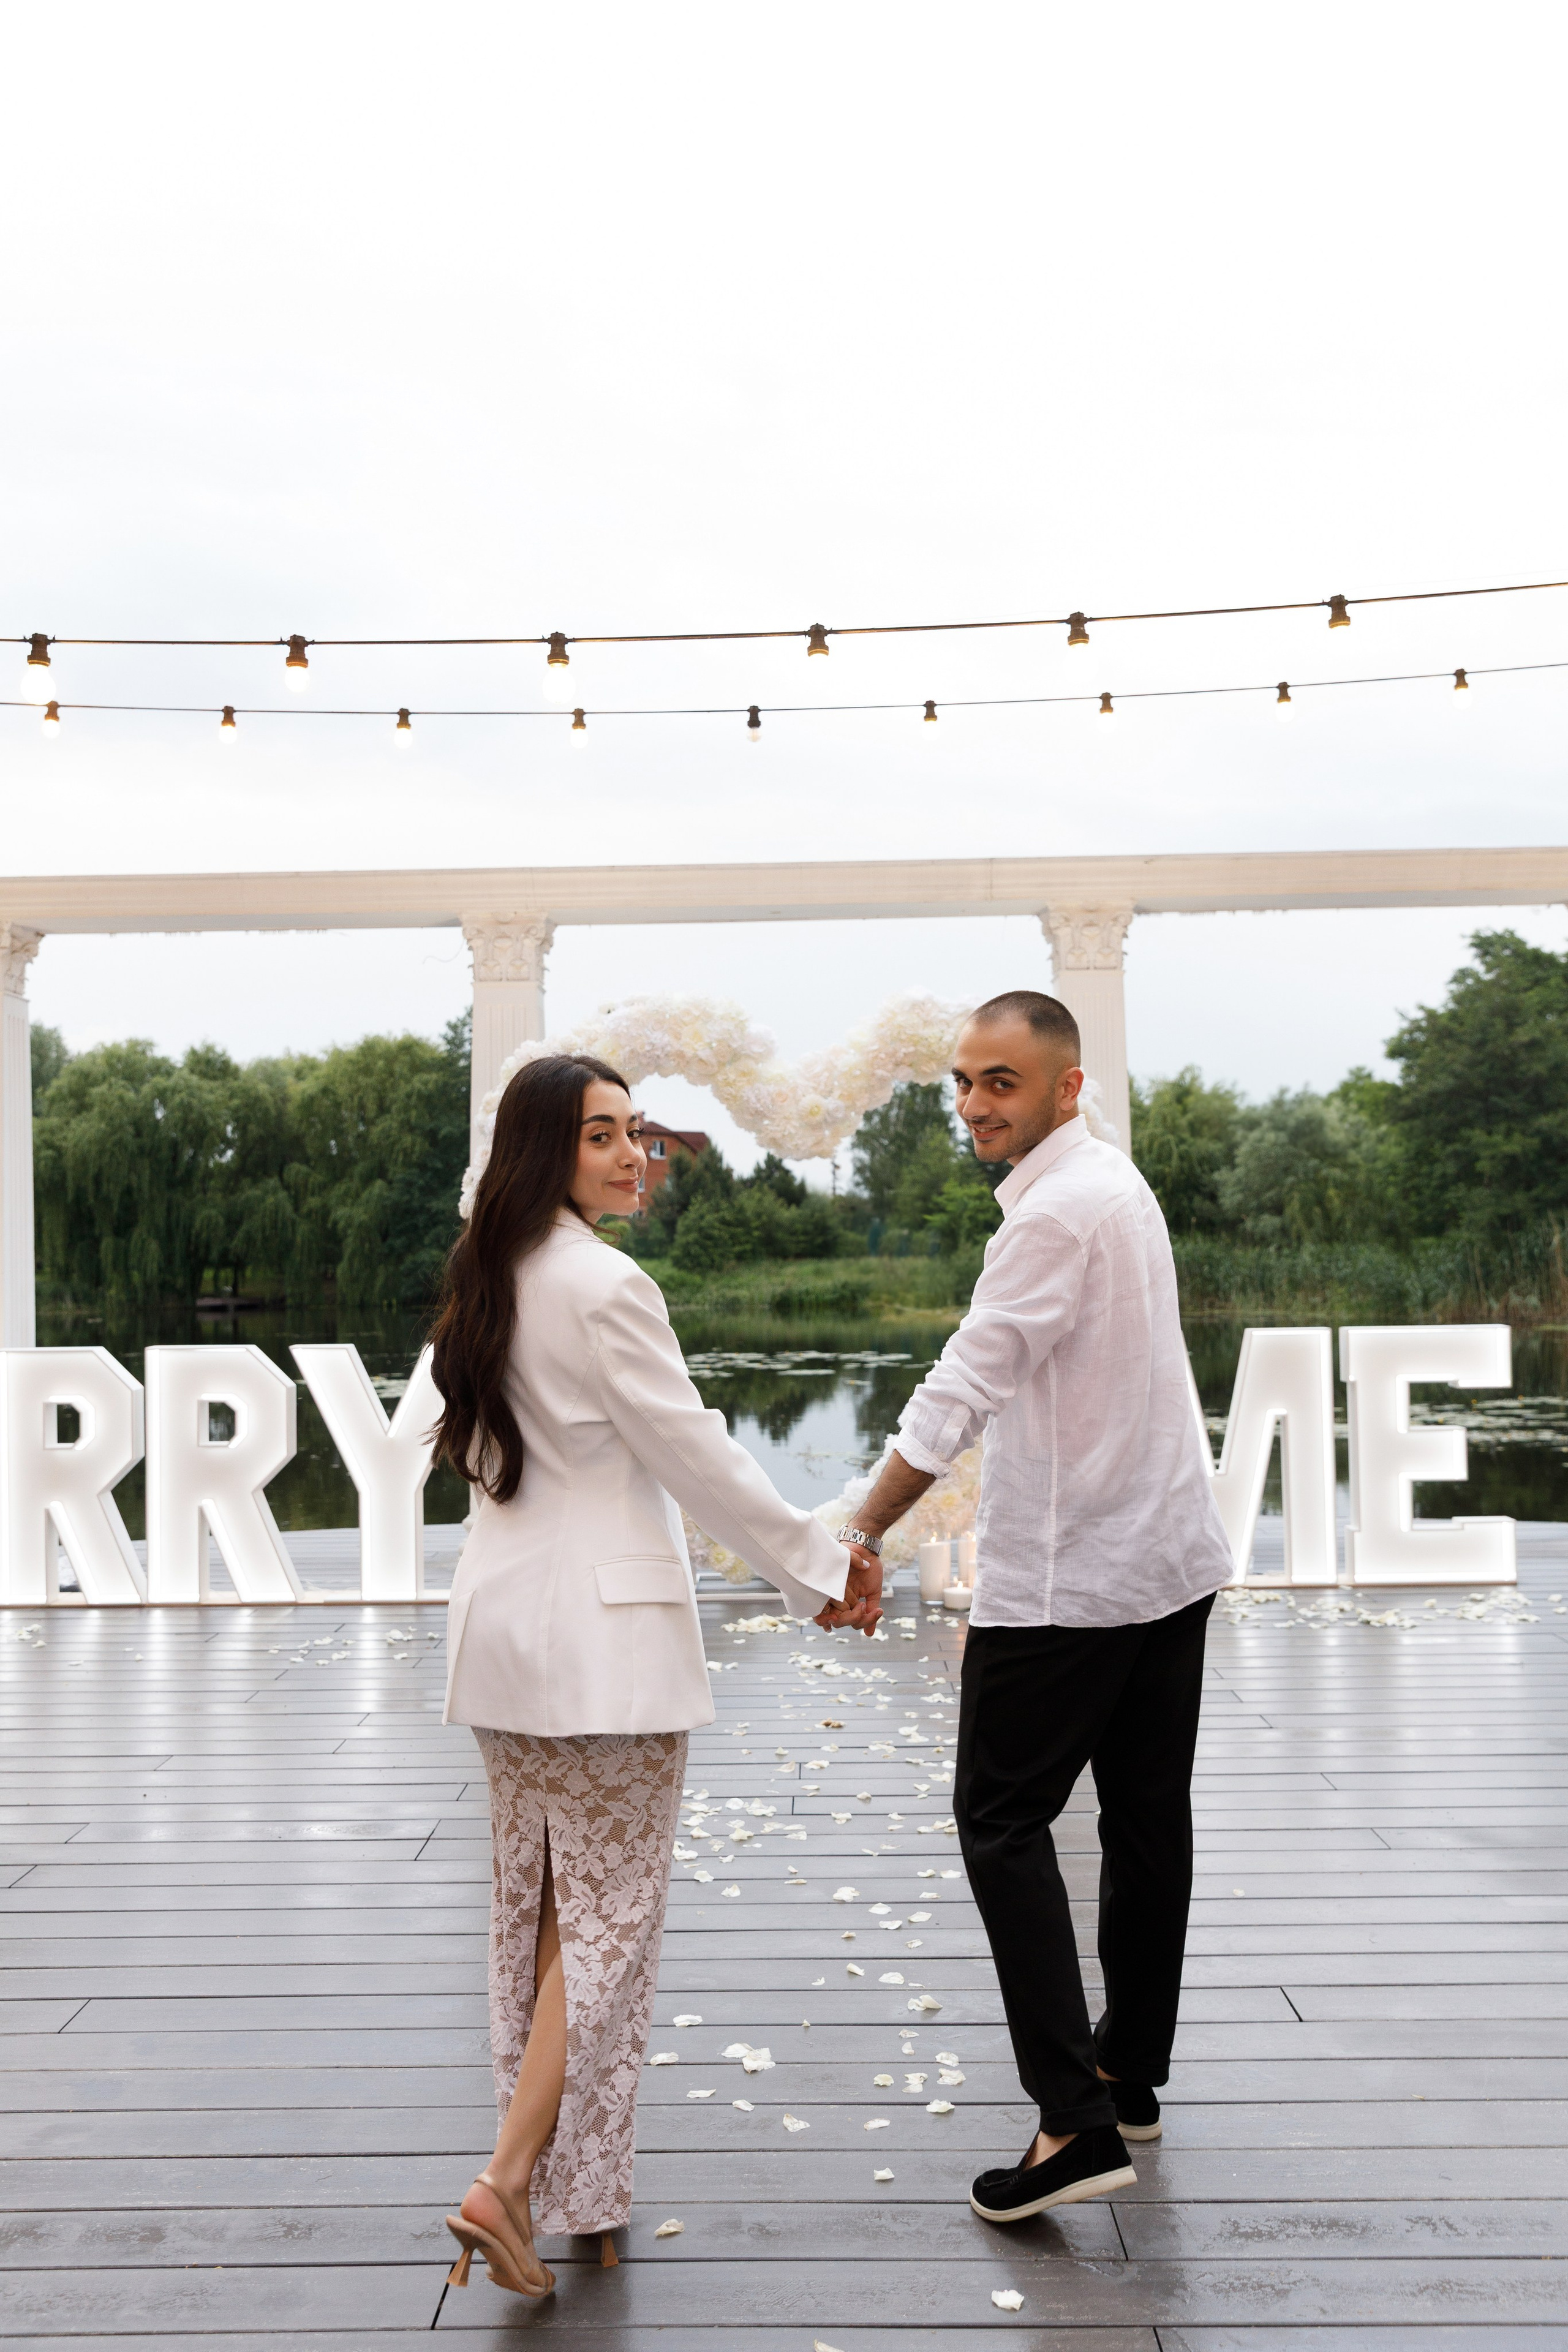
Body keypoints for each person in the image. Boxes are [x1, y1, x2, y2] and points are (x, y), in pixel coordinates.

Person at [429, 1053, 870, 2297]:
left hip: (503, 1640)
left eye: (637, 1135)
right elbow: (696, 1457)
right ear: (541, 1152)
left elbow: (448, 1443)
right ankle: (508, 2182)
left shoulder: (480, 1279)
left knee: (547, 1921)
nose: (633, 1156)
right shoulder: (605, 1286)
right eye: (600, 1136)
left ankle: (577, 2191)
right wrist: (818, 1567)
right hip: (604, 1652)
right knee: (609, 1924)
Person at [818, 990, 1232, 2223]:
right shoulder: (1112, 1180)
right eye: (959, 1081)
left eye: (999, 1082)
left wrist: (855, 1531)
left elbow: (959, 1391)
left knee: (999, 1822)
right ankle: (1130, 2068)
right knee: (1144, 1817)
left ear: (1064, 1086)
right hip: (1166, 1558)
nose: (970, 1104)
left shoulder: (1055, 1211)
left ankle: (1072, 2118)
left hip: (1071, 1579)